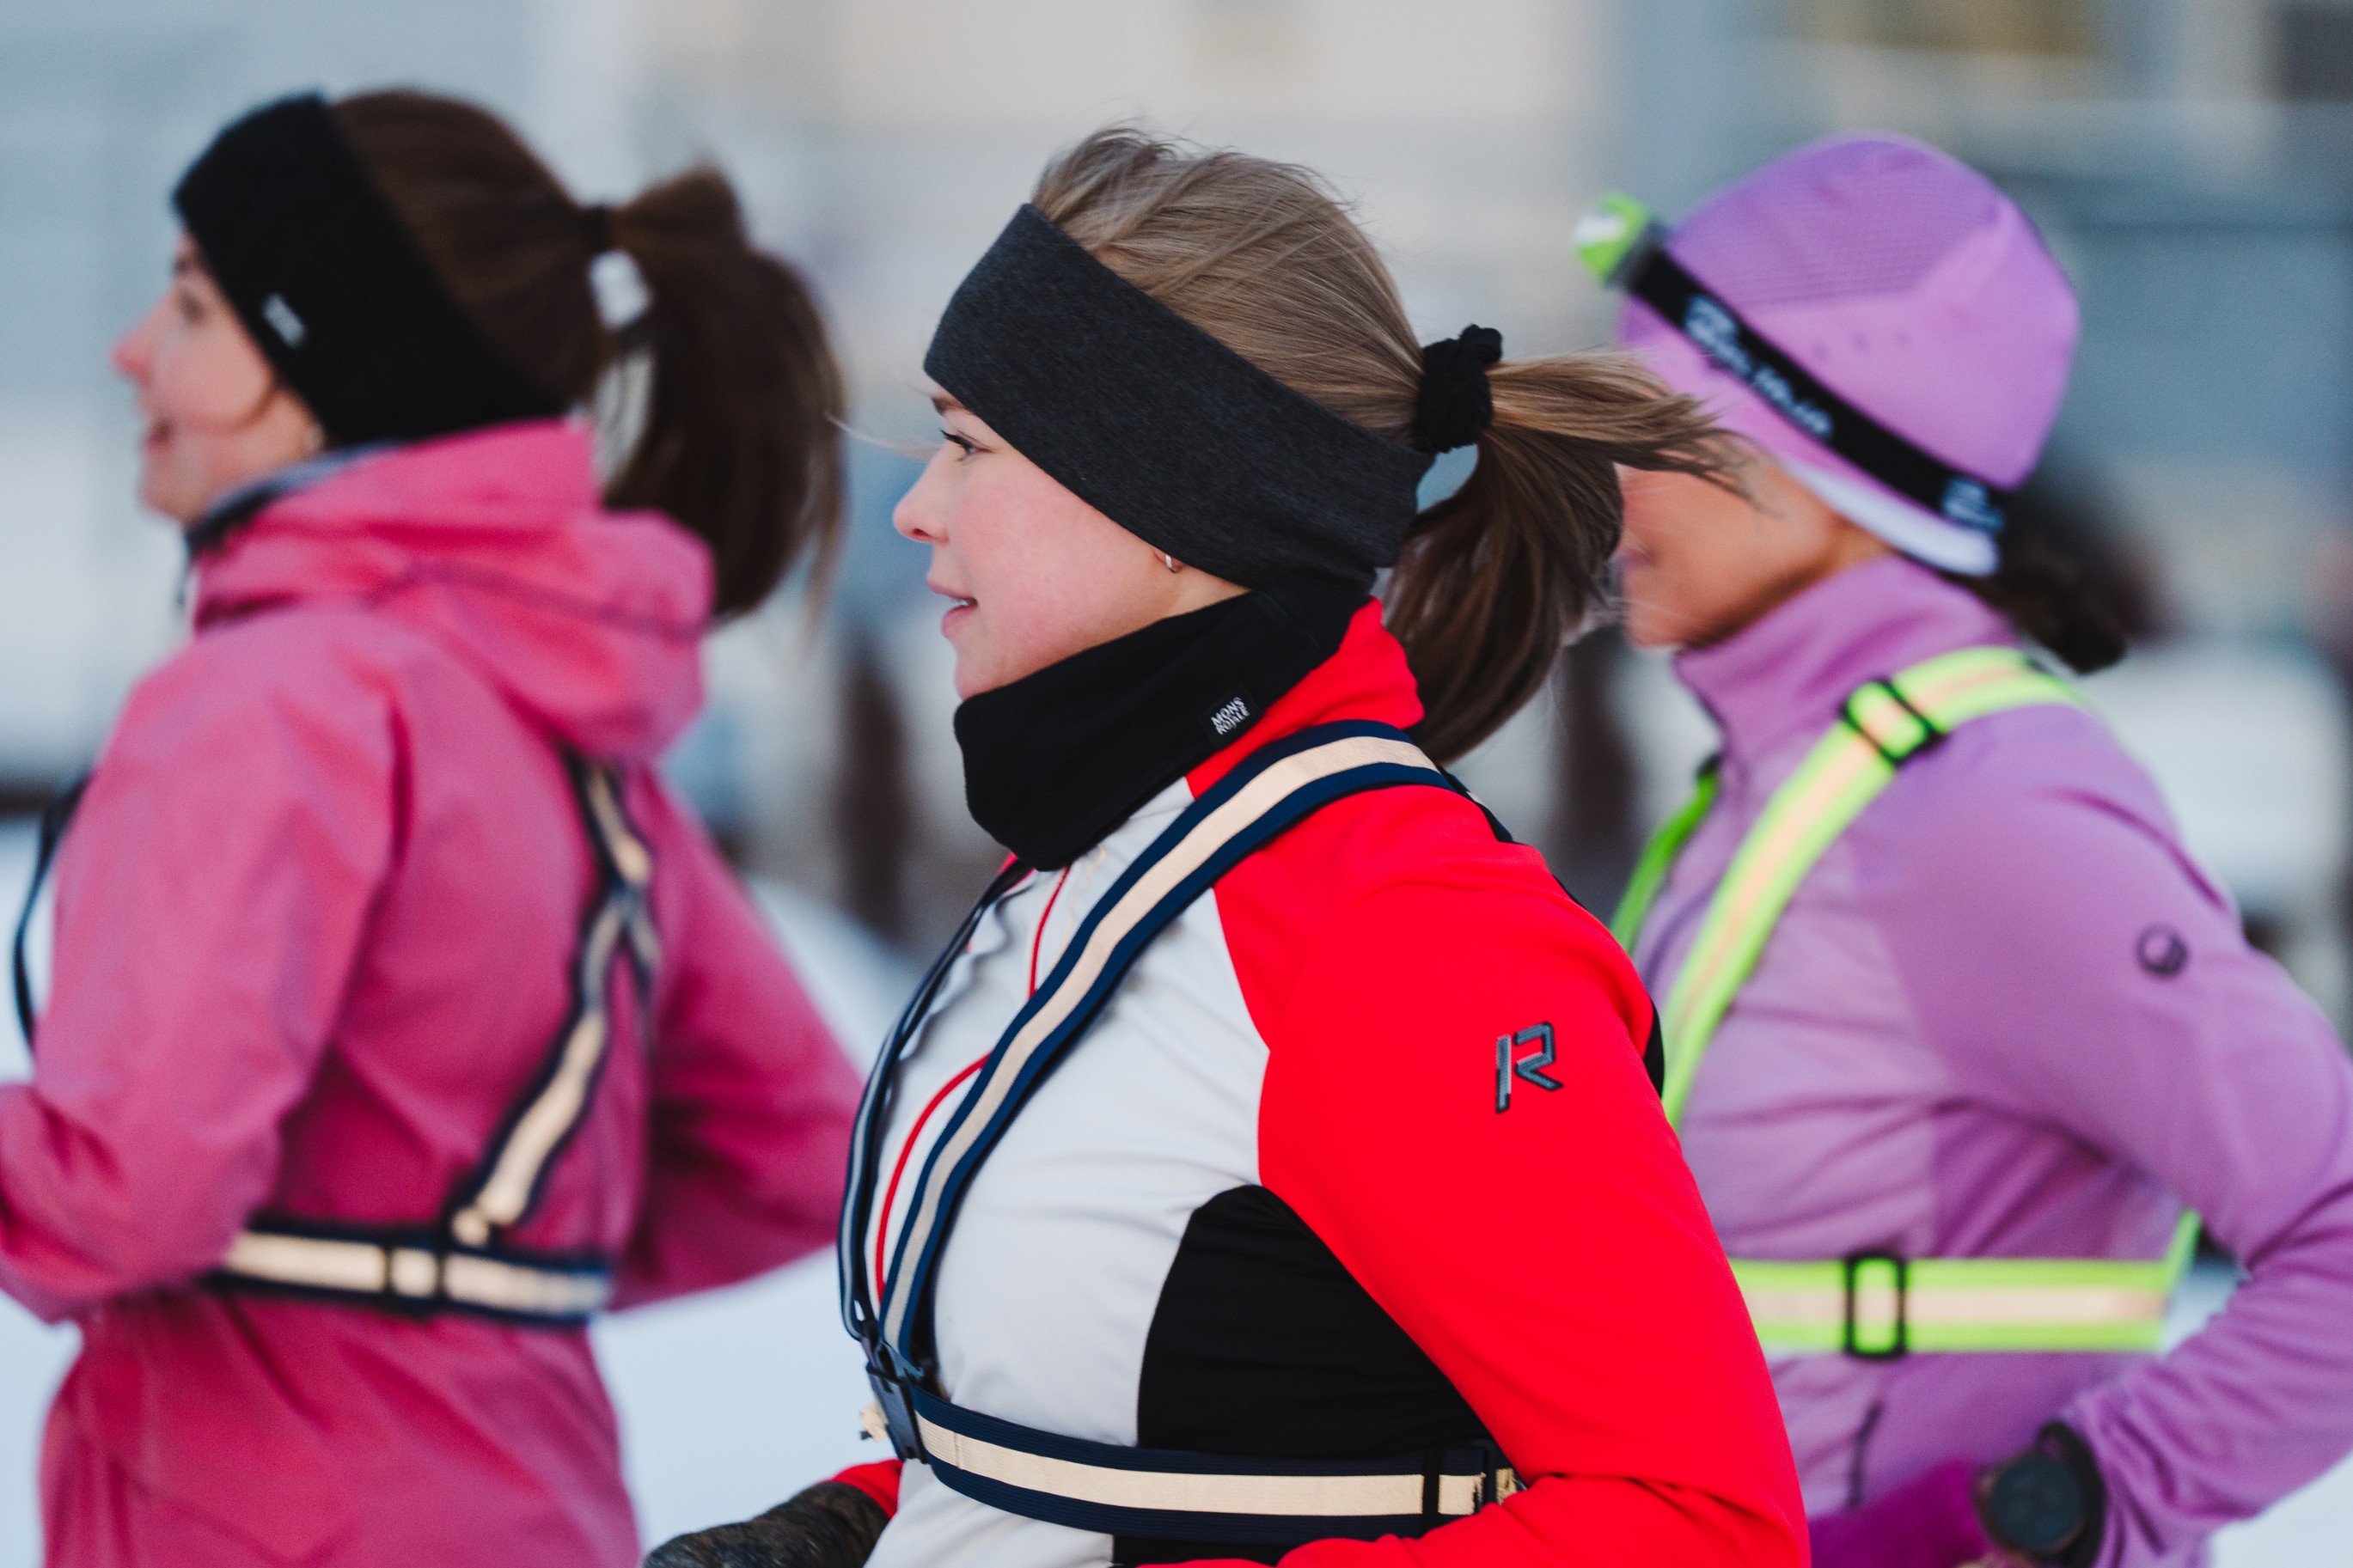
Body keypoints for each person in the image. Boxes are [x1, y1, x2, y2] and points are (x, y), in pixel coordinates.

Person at [651, 128, 1807, 1568]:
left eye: (968, 445)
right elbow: (1159, 1415)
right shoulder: (1103, 853)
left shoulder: (1401, 934)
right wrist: (870, 1513)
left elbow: (1698, 1523)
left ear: (1169, 507)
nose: (916, 508)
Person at [0, 90, 862, 1567]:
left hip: (259, 1519)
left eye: (193, 306)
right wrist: (468, 1267)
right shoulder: (555, 710)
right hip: (524, 1498)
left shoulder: (271, 699)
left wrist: (353, 1278)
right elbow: (798, 1146)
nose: (133, 349)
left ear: (319, 367)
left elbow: (128, 1189)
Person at [1582, 134, 2353, 1566]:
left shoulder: (1983, 818)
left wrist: (2059, 1511)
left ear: (1815, 460)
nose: (1609, 484)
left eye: (1659, 431)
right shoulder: (1777, 778)